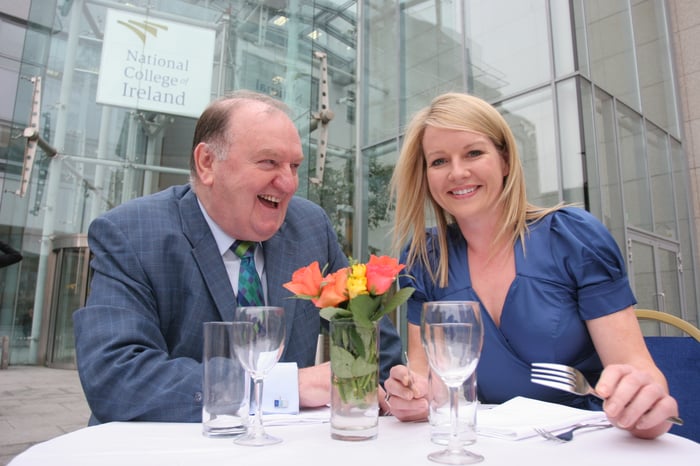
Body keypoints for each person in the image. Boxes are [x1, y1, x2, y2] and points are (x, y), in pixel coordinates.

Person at [73, 90, 401, 424]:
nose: (288, 183)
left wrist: (400, 387)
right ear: (207, 163)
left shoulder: (309, 226)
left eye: (295, 166)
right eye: (268, 162)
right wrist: (285, 386)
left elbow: (374, 344)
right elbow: (116, 378)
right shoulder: (132, 234)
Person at [383, 92, 679, 439]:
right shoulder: (424, 259)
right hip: (484, 448)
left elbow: (635, 369)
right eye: (439, 161)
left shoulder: (572, 238)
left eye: (474, 153)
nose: (457, 172)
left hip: (588, 445)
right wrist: (408, 394)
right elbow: (428, 382)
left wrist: (647, 405)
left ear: (505, 160)